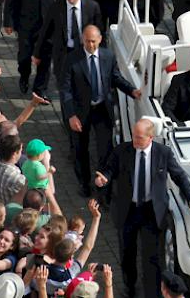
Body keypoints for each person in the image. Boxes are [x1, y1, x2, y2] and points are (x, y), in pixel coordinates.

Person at [94, 118, 190, 298]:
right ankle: (129, 285)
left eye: (139, 138)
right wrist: (103, 179)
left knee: (151, 256)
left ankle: (152, 292)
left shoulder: (163, 153)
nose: (135, 141)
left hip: (152, 212)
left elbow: (179, 176)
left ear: (150, 137)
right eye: (134, 136)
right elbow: (109, 169)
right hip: (127, 210)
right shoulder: (123, 151)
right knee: (127, 252)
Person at [60, 25, 141, 197]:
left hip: (102, 109)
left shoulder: (108, 56)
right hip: (80, 112)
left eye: (94, 41)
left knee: (105, 149)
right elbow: (65, 90)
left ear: (100, 40)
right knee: (80, 149)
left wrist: (132, 91)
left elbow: (115, 77)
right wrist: (71, 115)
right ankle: (84, 183)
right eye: (88, 41)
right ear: (83, 40)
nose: (91, 45)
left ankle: (102, 187)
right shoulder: (72, 59)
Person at [3, 0, 63, 98]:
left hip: (48, 24)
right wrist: (8, 22)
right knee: (24, 56)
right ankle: (24, 75)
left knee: (46, 58)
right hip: (26, 23)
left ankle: (40, 89)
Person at [32, 0, 102, 90]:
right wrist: (37, 53)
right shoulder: (56, 7)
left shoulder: (92, 7)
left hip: (83, 52)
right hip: (63, 54)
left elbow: (99, 32)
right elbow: (45, 31)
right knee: (64, 90)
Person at [0, 136, 26, 206]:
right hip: (10, 212)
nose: (21, 153)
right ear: (14, 154)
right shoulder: (18, 178)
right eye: (20, 151)